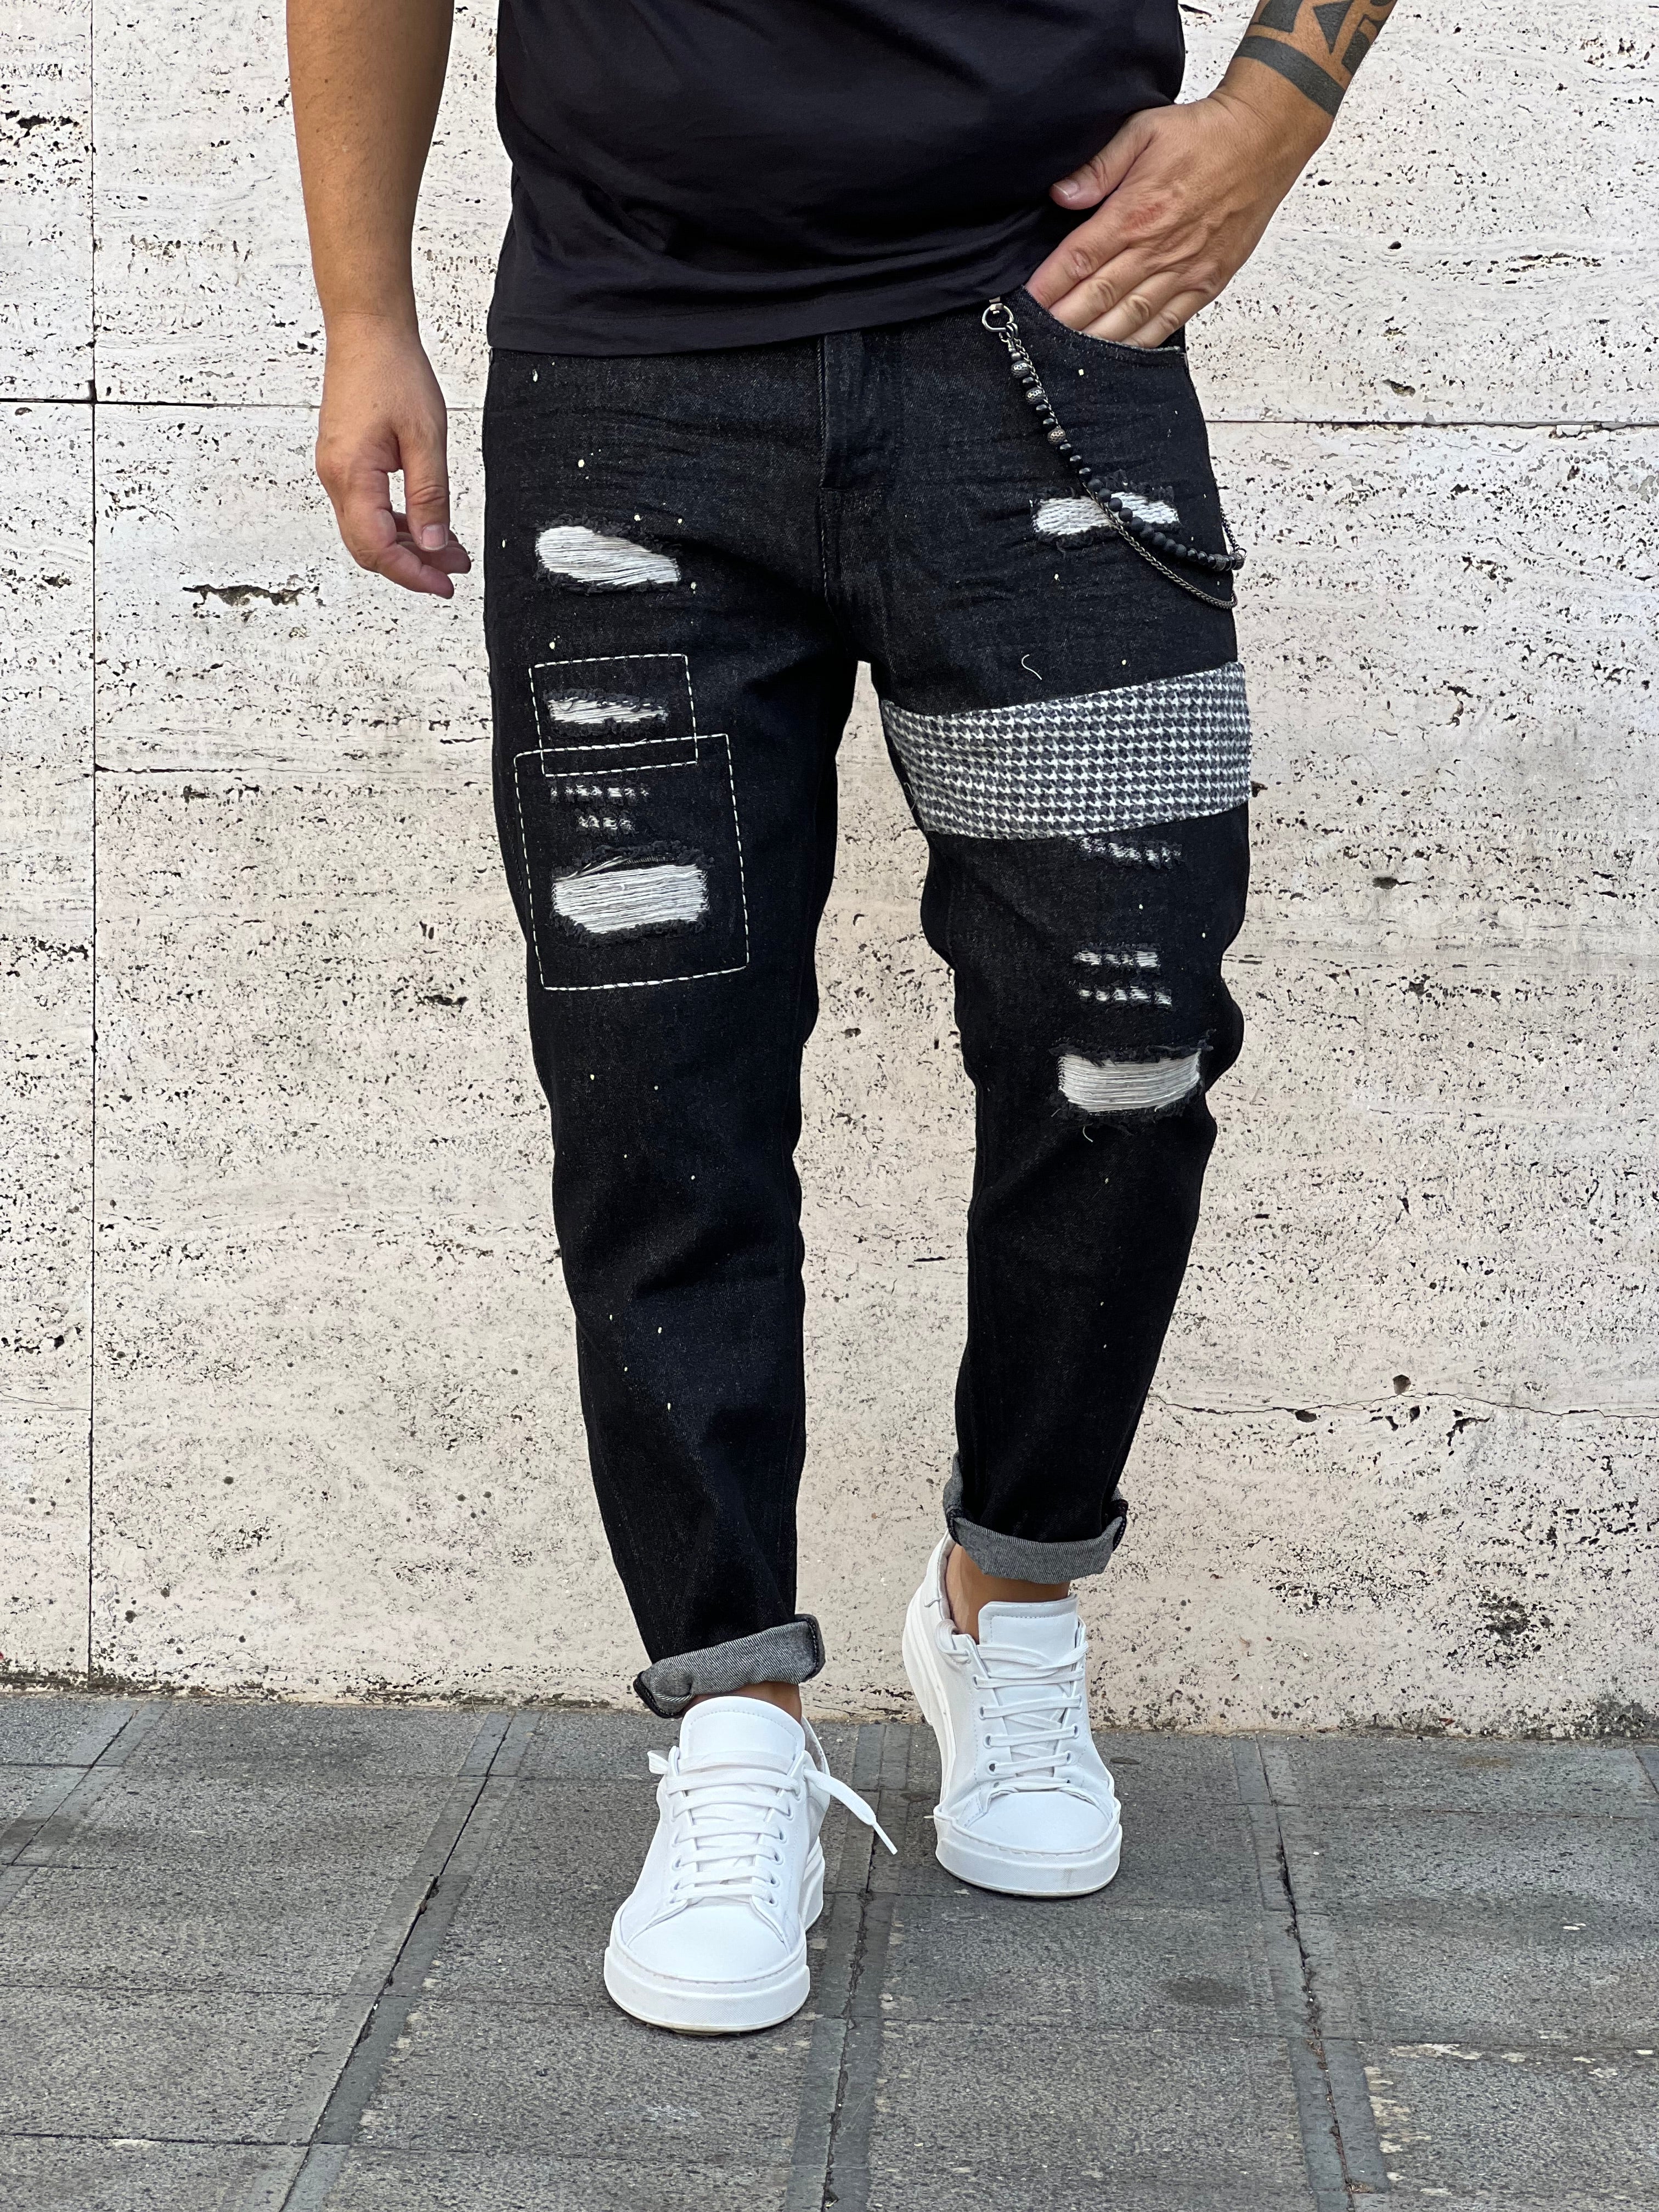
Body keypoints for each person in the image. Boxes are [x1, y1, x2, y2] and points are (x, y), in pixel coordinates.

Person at [288, 0, 1395, 2034]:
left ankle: (1012, 1598)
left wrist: (1275, 110)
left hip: (1048, 353)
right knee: (658, 1088)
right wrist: (367, 314)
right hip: (627, 380)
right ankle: (734, 1722)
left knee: (1124, 1046)